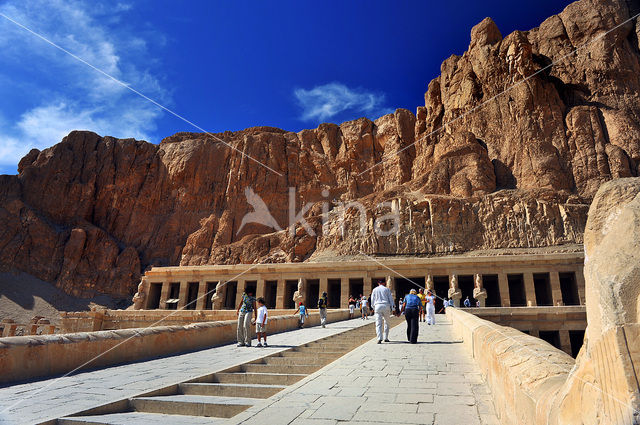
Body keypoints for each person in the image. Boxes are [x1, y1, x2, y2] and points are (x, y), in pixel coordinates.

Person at [371, 279, 394, 343]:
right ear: (384, 283)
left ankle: (379, 338)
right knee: (387, 322)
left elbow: (372, 299)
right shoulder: (387, 289)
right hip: (386, 305)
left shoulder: (375, 289)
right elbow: (390, 299)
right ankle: (386, 337)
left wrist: (373, 307)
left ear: (378, 283)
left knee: (378, 323)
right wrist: (393, 308)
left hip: (378, 306)